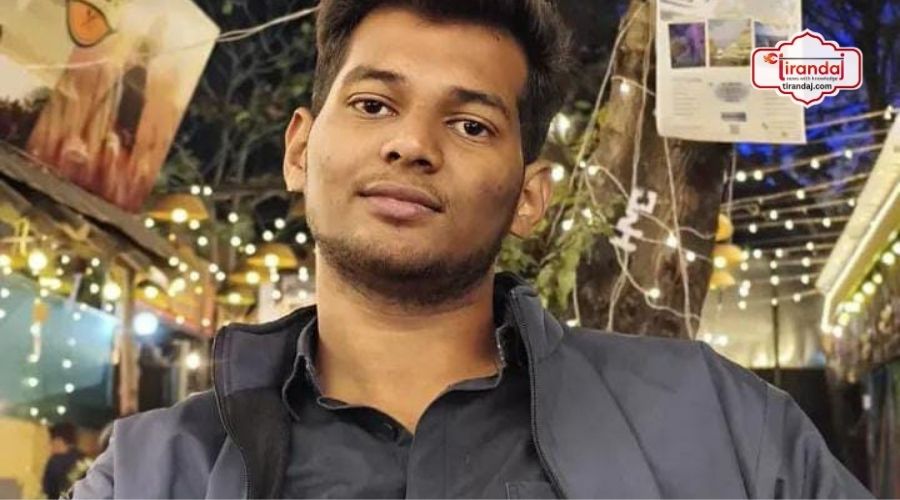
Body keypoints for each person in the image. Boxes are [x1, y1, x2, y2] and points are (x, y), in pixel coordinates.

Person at [73, 1, 873, 498]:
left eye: (470, 124)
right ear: (299, 150)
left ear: (529, 197)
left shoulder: (717, 428)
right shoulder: (153, 473)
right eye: (374, 104)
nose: (412, 144)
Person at [42, 423, 83, 499]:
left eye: (52, 440)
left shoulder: (54, 462)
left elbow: (47, 489)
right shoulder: (84, 460)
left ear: (59, 440)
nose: (50, 444)